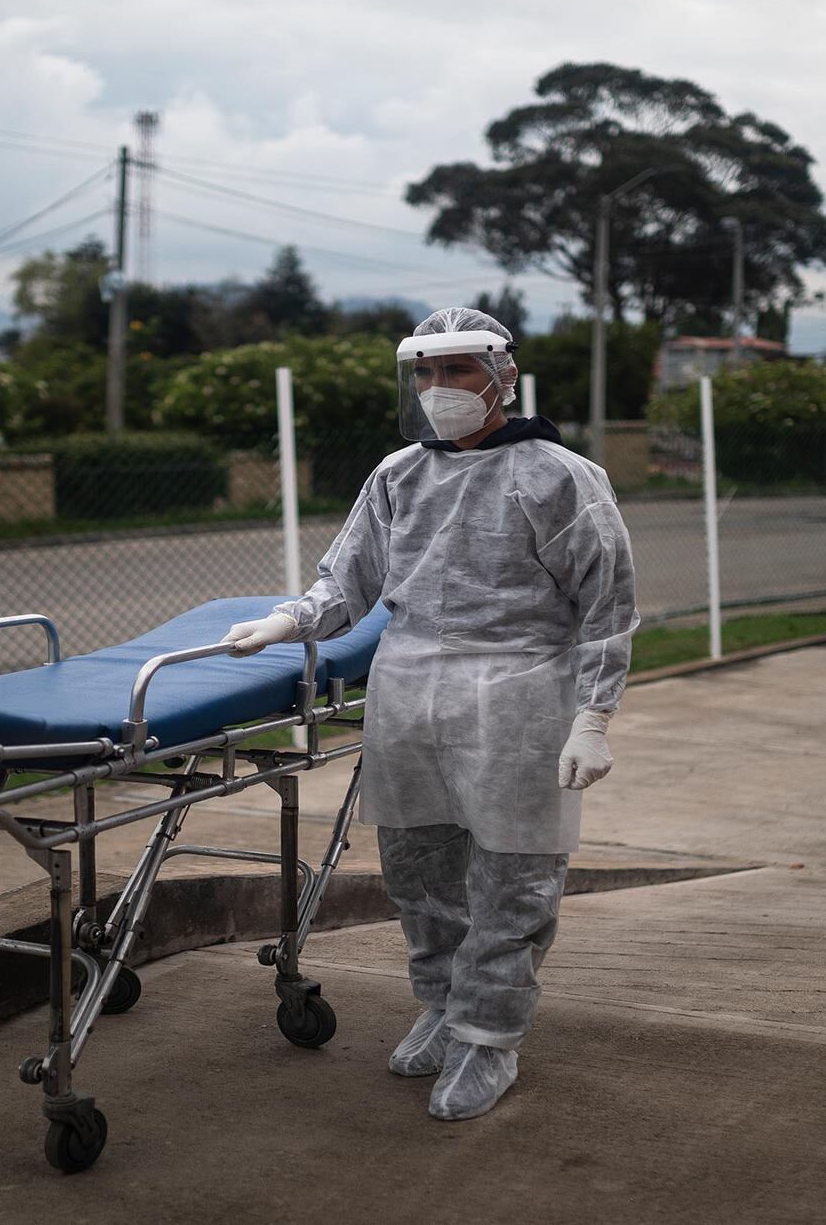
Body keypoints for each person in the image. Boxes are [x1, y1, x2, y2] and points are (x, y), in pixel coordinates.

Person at [222, 307, 638, 1121]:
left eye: (458, 370)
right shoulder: (397, 475)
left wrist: (594, 714)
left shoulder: (562, 476)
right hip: (409, 691)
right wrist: (290, 620)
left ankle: (489, 1035)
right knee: (418, 873)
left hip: (519, 694)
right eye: (427, 371)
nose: (440, 388)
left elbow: (608, 605)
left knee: (514, 878)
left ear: (503, 376)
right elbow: (349, 579)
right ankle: (444, 1005)